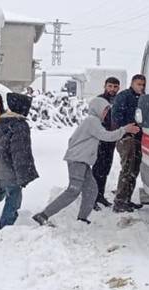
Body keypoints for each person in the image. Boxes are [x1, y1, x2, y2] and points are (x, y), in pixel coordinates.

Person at [33, 97, 138, 226]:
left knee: (91, 189)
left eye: (107, 110)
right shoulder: (91, 121)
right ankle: (43, 215)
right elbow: (106, 136)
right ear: (97, 109)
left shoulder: (92, 122)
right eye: (104, 109)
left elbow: (72, 140)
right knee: (73, 190)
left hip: (81, 160)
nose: (106, 113)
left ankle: (82, 219)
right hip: (78, 160)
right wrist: (124, 130)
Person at [0, 93, 38, 230]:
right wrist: (23, 175)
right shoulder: (19, 125)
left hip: (0, 165)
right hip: (11, 168)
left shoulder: (4, 121)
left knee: (2, 190)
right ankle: (5, 228)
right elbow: (20, 153)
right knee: (14, 198)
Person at [110, 75, 146, 213]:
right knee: (127, 169)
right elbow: (116, 115)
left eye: (143, 84)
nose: (141, 87)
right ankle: (119, 202)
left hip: (138, 138)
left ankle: (127, 199)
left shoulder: (143, 98)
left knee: (134, 170)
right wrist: (126, 128)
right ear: (132, 83)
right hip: (126, 138)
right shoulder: (123, 96)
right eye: (139, 84)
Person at [91, 77, 121, 209]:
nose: (112, 89)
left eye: (115, 87)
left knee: (106, 168)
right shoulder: (99, 100)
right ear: (105, 86)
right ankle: (92, 198)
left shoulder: (119, 100)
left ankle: (100, 195)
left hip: (112, 139)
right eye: (110, 86)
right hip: (100, 139)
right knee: (97, 169)